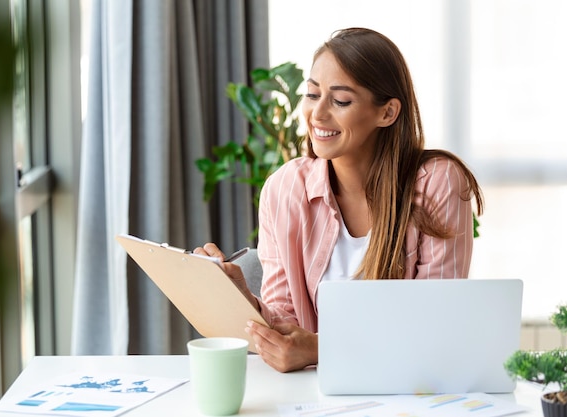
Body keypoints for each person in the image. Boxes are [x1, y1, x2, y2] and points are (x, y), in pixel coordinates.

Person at [194, 27, 483, 373]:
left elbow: (436, 326)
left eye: (341, 100)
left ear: (387, 113)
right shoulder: (284, 189)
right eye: (313, 94)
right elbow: (285, 321)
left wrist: (321, 348)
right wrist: (238, 296)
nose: (317, 115)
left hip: (407, 389)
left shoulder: (436, 182)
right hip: (312, 393)